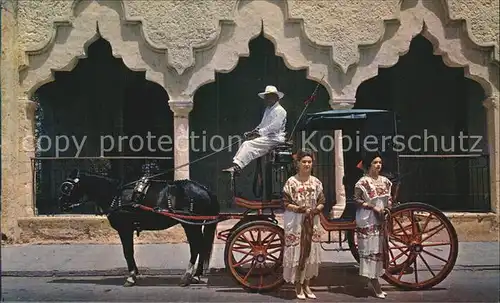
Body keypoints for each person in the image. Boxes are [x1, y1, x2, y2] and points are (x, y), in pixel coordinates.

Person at [281, 148, 325, 299]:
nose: (307, 164)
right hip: (295, 220)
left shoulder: (316, 182)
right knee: (297, 252)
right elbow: (286, 203)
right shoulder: (291, 182)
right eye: (304, 162)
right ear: (298, 163)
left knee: (310, 252)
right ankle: (297, 286)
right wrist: (300, 209)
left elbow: (322, 201)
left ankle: (307, 285)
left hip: (312, 220)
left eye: (309, 162)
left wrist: (314, 211)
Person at [353, 152, 392, 299]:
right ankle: (374, 282)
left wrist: (387, 209)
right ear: (369, 165)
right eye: (375, 162)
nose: (378, 165)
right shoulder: (363, 182)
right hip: (367, 218)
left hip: (381, 218)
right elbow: (356, 199)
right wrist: (371, 206)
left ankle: (374, 279)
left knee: (378, 250)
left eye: (380, 163)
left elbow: (389, 199)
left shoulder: (386, 181)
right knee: (370, 250)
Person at [222, 85, 287, 173]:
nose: (267, 99)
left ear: (276, 97)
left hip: (275, 138)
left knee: (248, 145)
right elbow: (262, 124)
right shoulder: (268, 109)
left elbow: (275, 127)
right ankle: (236, 165)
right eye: (266, 97)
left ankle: (238, 167)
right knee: (245, 143)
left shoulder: (280, 110)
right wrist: (253, 132)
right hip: (267, 137)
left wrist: (259, 133)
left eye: (269, 97)